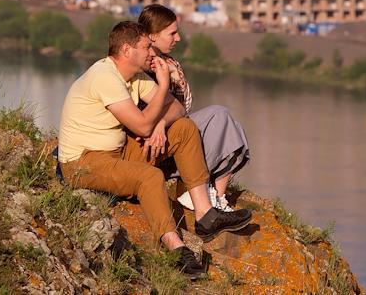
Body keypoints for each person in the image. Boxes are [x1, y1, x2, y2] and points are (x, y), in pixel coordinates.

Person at [57, 21, 252, 279]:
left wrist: (160, 123)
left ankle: (205, 215)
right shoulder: (104, 77)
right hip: (83, 162)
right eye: (146, 47)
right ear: (127, 50)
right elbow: (141, 125)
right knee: (150, 177)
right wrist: (163, 84)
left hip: (117, 152)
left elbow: (178, 109)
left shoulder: (133, 77)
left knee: (183, 128)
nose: (152, 52)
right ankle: (176, 249)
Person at [137, 4, 251, 213]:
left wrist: (175, 75)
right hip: (153, 144)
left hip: (173, 132)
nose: (178, 38)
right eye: (172, 33)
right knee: (220, 115)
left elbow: (185, 107)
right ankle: (204, 191)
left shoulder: (168, 62)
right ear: (152, 36)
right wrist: (161, 120)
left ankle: (216, 198)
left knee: (231, 127)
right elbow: (153, 113)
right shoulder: (141, 66)